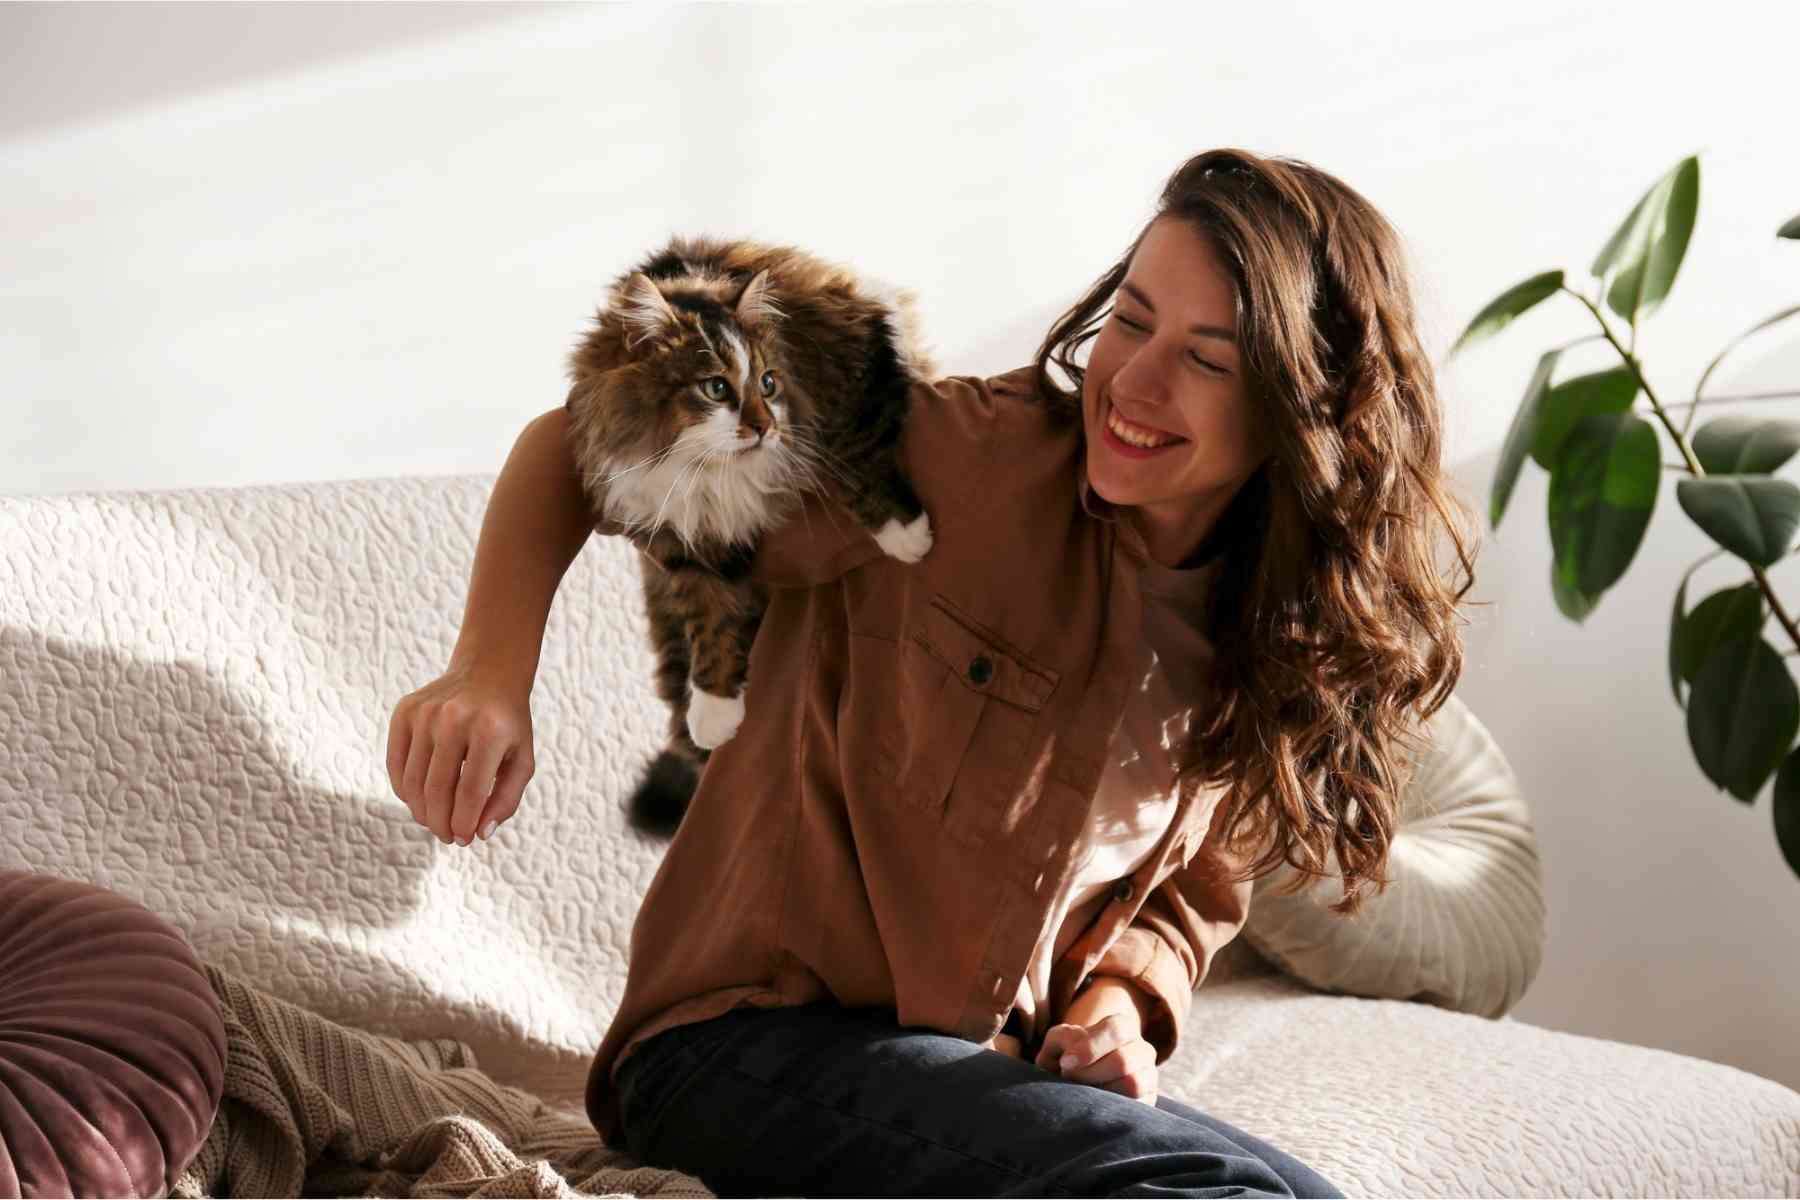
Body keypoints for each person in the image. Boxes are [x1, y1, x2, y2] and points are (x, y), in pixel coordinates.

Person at [387, 147, 1477, 1197]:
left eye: (1205, 357)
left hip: (976, 1075)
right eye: (1132, 320)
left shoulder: (1269, 635)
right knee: (1192, 1189)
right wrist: (487, 674)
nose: (1134, 382)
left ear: (1301, 403)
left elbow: (1183, 907)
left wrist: (1113, 1015)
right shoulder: (962, 461)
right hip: (735, 1049)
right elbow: (581, 446)